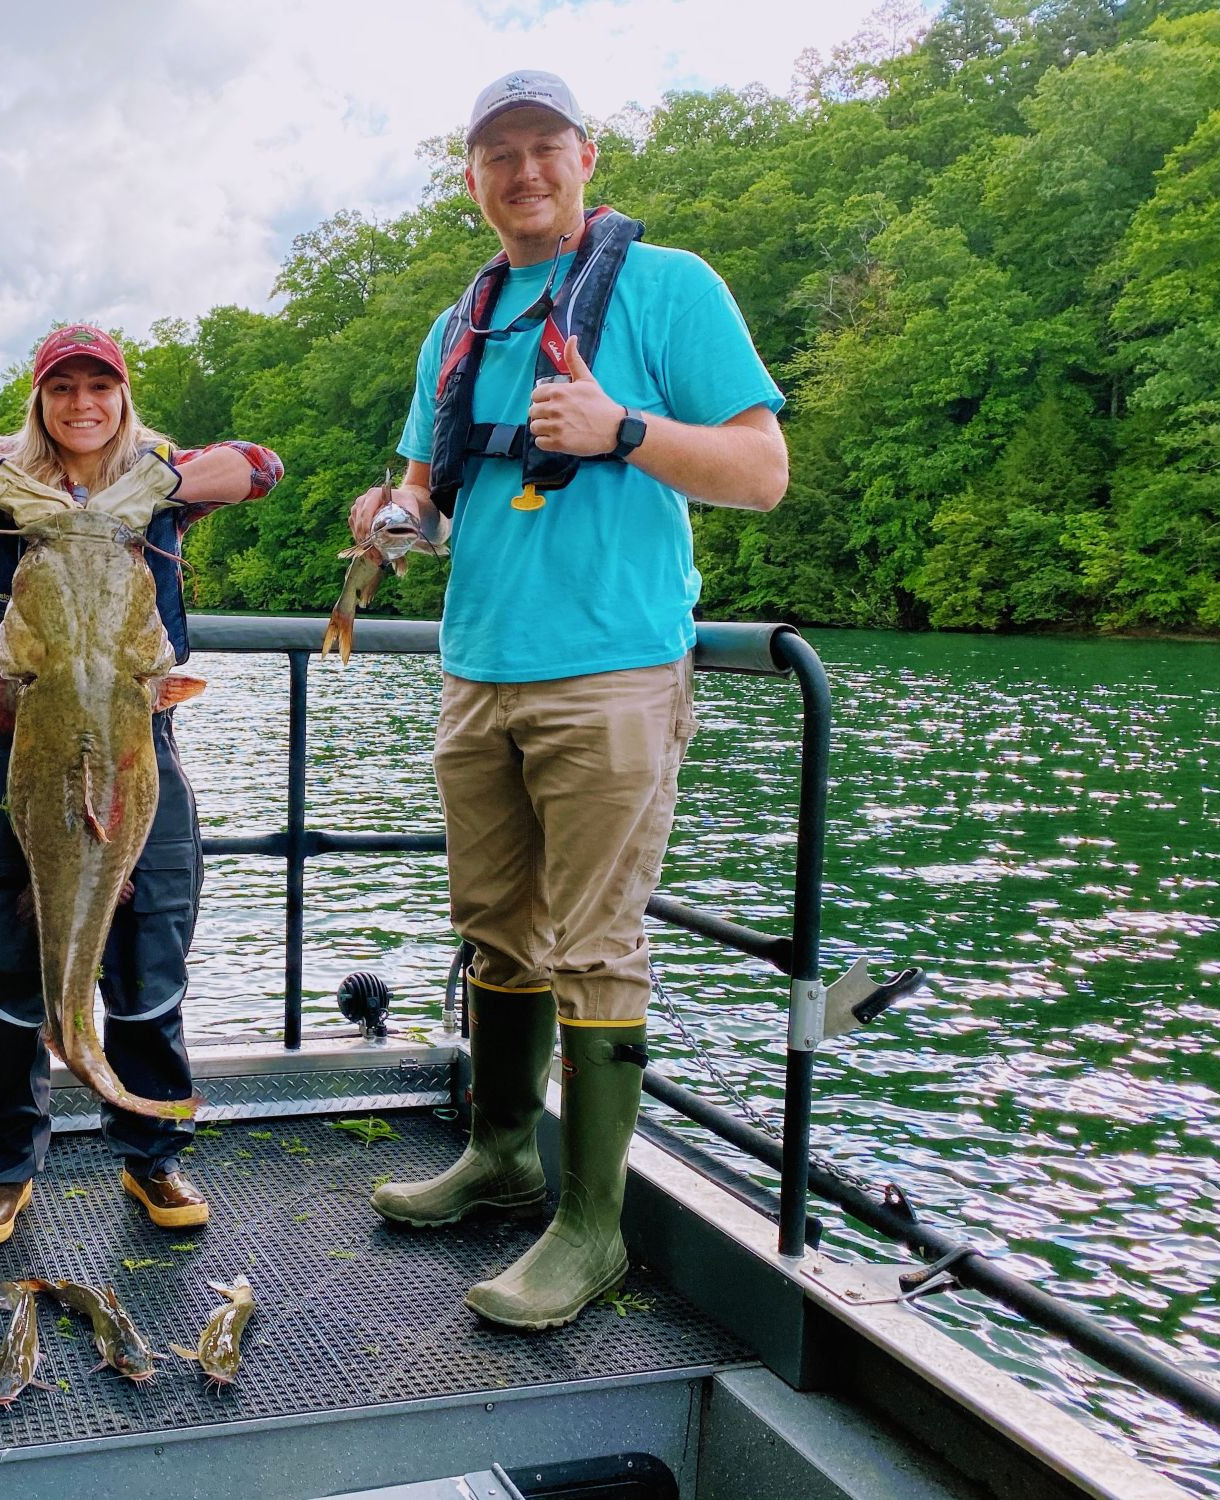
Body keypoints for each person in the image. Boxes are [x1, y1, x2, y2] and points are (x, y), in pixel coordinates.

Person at [359, 73, 788, 1329]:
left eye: (543, 145)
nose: (523, 170)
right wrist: (390, 522)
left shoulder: (669, 289)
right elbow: (424, 498)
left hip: (610, 670)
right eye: (497, 152)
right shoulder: (462, 323)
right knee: (494, 926)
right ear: (471, 176)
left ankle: (590, 1227)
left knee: (596, 943)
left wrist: (622, 431)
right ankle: (499, 1159)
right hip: (475, 666)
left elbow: (761, 472)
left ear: (585, 158)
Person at [0, 324, 282, 1246]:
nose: (83, 405)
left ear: (123, 396)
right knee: (5, 959)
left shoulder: (158, 467)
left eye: (101, 387)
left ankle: (156, 1149)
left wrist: (168, 482)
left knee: (149, 950)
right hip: (19, 746)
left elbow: (262, 466)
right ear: (41, 399)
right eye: (65, 389)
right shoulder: (2, 465)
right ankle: (4, 1165)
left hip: (141, 741)